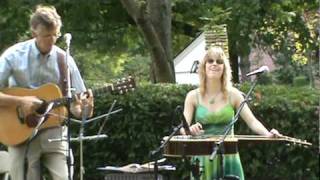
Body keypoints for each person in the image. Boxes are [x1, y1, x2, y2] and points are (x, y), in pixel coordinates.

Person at [0, 5, 94, 180]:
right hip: (20, 134)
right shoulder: (13, 56)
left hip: (55, 133)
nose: (51, 40)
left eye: (55, 35)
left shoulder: (64, 60)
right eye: (46, 35)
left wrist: (85, 109)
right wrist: (20, 102)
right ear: (34, 32)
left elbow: (77, 108)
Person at [180, 46, 281, 180]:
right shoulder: (192, 96)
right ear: (204, 66)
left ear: (224, 68)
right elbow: (183, 128)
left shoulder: (234, 95)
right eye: (210, 61)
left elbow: (252, 121)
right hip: (203, 159)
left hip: (229, 156)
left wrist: (268, 134)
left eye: (219, 61)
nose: (214, 64)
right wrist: (189, 130)